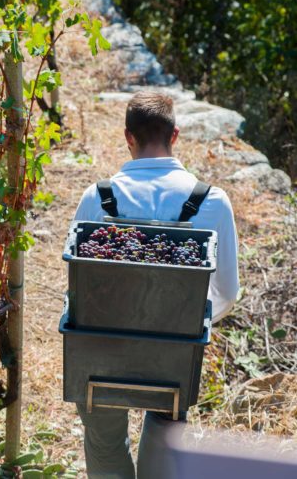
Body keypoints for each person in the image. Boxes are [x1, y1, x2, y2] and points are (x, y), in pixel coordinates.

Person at [73, 91, 239, 478]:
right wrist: (185, 323)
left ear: (128, 137)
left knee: (105, 442)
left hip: (103, 351)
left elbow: (78, 285)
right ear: (175, 135)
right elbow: (227, 293)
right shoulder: (212, 201)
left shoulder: (97, 198)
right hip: (174, 355)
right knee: (164, 436)